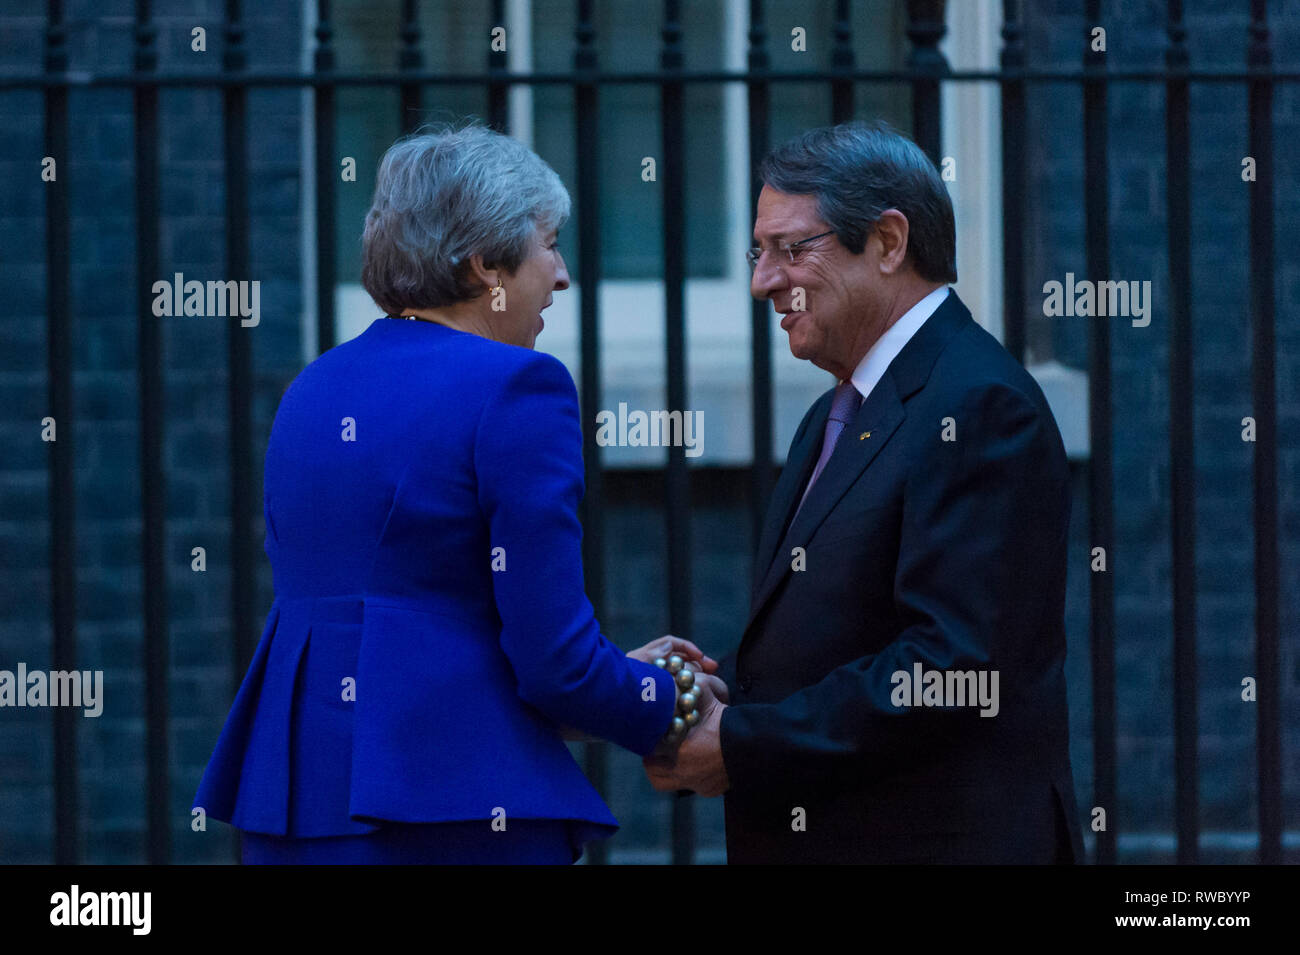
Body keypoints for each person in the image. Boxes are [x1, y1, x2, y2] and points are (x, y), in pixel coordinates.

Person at [193, 123, 722, 865]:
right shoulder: (517, 387)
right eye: (550, 243)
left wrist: (617, 674)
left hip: (298, 809)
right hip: (455, 812)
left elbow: (418, 617)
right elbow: (556, 664)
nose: (562, 274)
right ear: (484, 264)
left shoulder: (312, 390)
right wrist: (672, 699)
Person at [645, 121, 1085, 864]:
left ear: (887, 242)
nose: (762, 281)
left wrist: (745, 743)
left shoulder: (979, 405)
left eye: (792, 248)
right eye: (759, 252)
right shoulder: (836, 410)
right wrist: (727, 707)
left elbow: (952, 669)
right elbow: (846, 634)